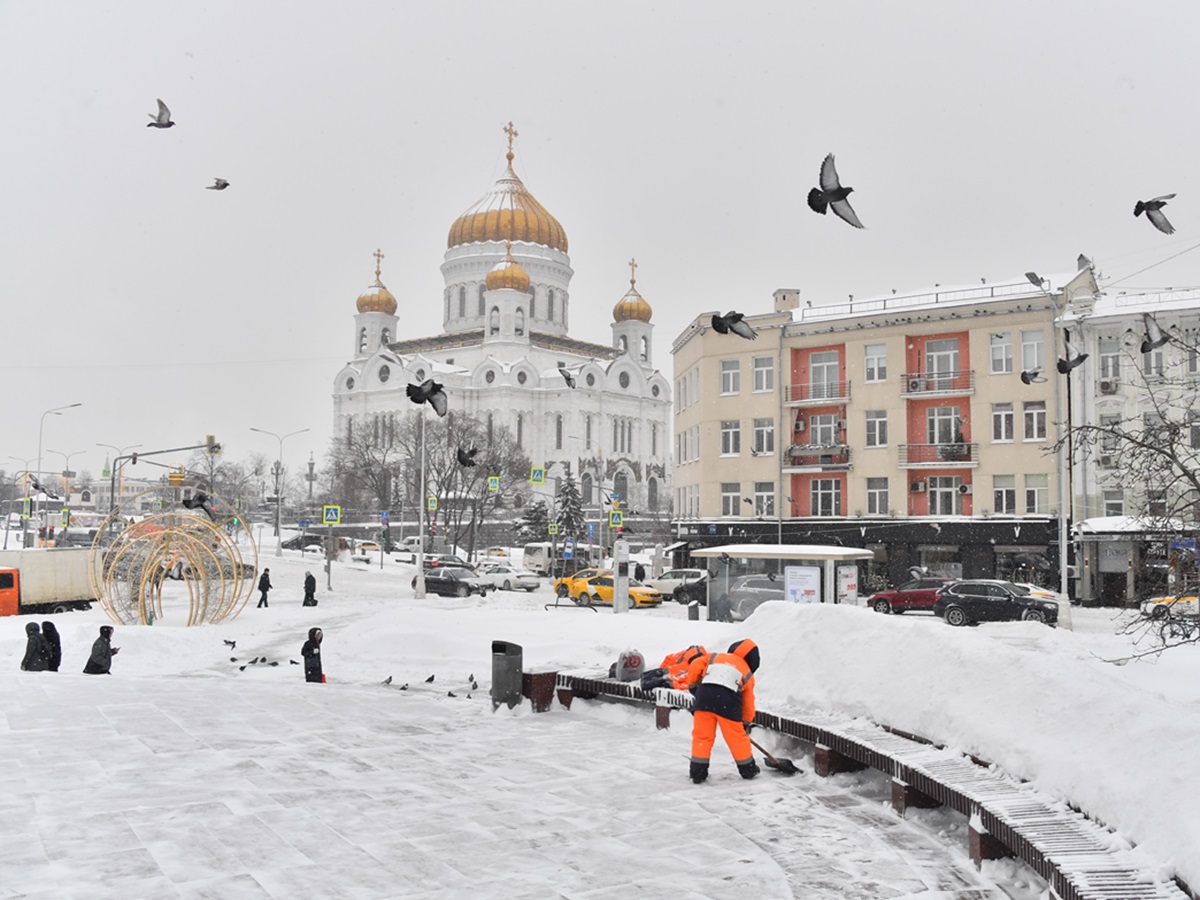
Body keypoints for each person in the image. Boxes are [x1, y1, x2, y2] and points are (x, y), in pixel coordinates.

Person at [680, 639, 761, 784]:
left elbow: (696, 664)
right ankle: (747, 769)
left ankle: (698, 772)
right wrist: (746, 721)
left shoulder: (714, 657)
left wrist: (693, 686)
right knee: (736, 739)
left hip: (704, 699)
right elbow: (748, 702)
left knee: (702, 737)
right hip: (728, 704)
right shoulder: (747, 673)